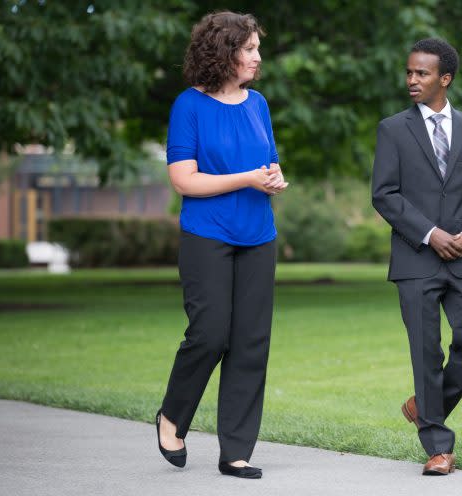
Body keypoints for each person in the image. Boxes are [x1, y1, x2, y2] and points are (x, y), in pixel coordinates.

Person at [155, 11, 288, 480]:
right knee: (210, 333)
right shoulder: (189, 106)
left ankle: (235, 451)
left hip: (258, 237)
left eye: (256, 48)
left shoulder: (258, 104)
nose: (257, 56)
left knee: (251, 344)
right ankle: (172, 416)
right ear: (224, 52)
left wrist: (272, 178)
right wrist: (248, 178)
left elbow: (267, 163)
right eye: (249, 48)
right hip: (206, 236)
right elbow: (183, 180)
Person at [371, 38, 462, 476]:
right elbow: (383, 194)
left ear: (444, 78)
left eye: (421, 73)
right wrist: (430, 234)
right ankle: (439, 447)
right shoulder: (392, 129)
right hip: (415, 259)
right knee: (425, 353)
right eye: (409, 72)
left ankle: (424, 404)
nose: (411, 80)